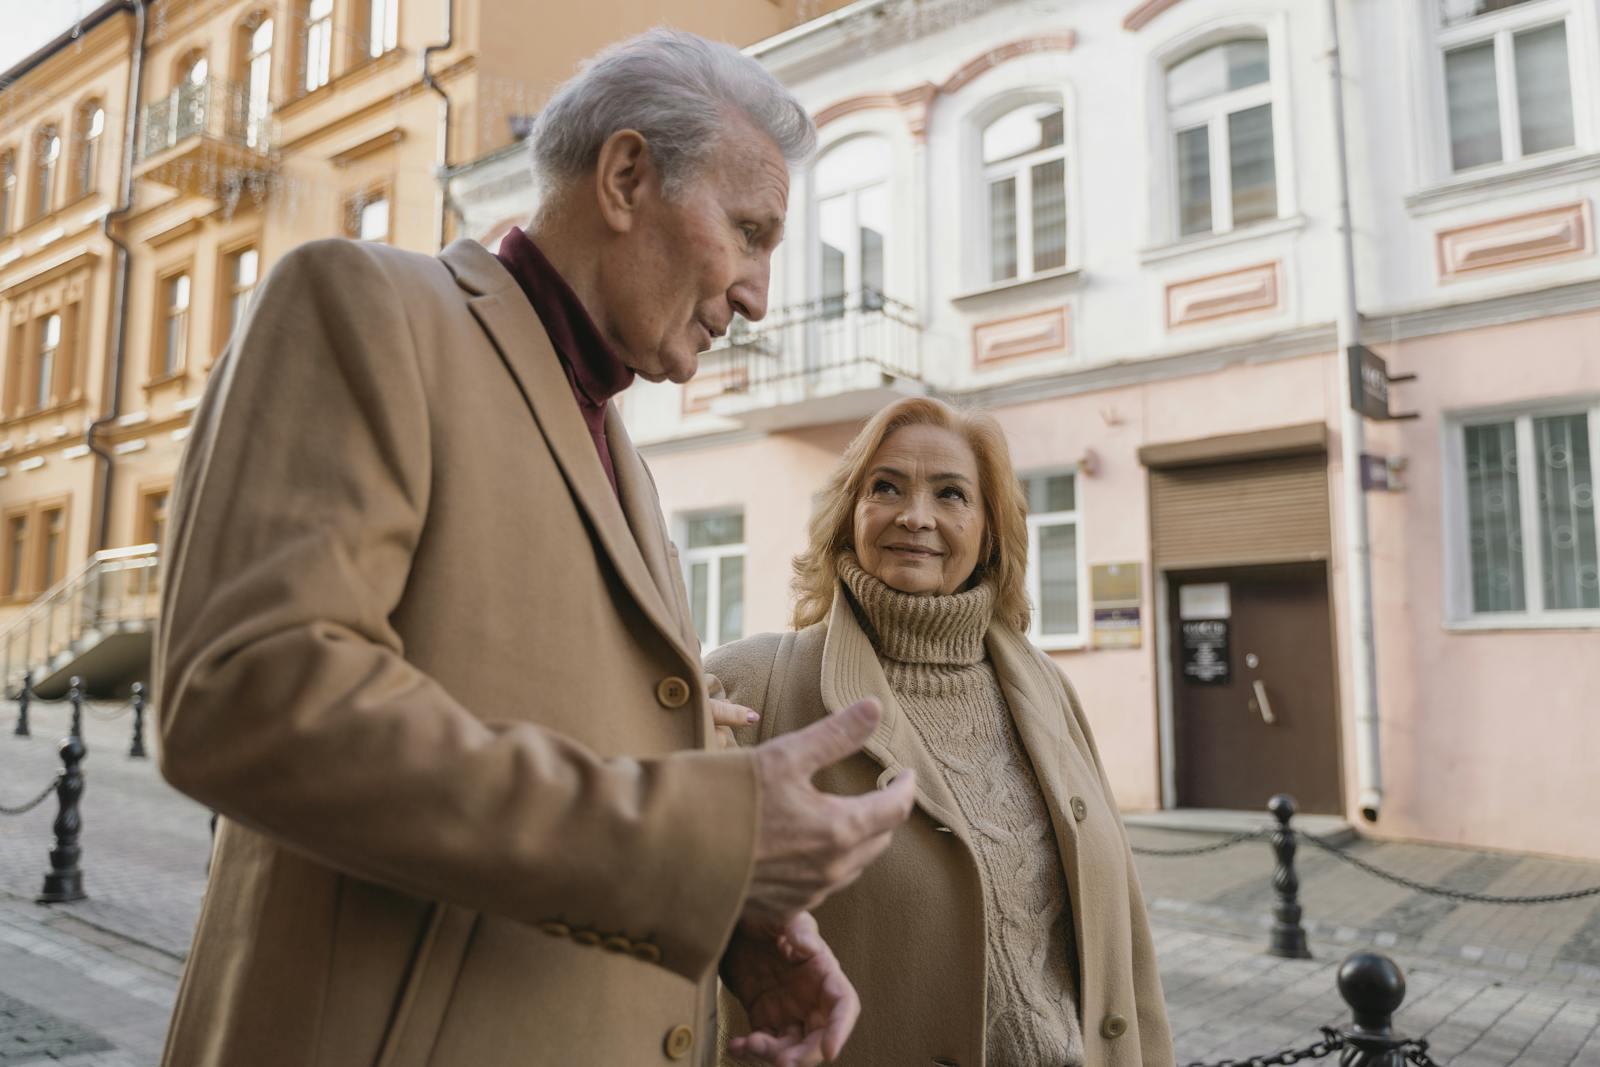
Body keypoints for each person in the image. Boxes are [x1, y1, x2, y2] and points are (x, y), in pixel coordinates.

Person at [152, 29, 915, 1067]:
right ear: (627, 176)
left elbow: (572, 738)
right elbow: (250, 694)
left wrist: (740, 922)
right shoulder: (370, 306)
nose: (757, 294)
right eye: (747, 232)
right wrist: (705, 840)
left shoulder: (621, 449)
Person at [708, 397, 1175, 1067]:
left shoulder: (1045, 688)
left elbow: (1125, 942)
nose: (915, 515)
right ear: (850, 514)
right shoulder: (753, 683)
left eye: (950, 493)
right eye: (886, 486)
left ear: (988, 531)